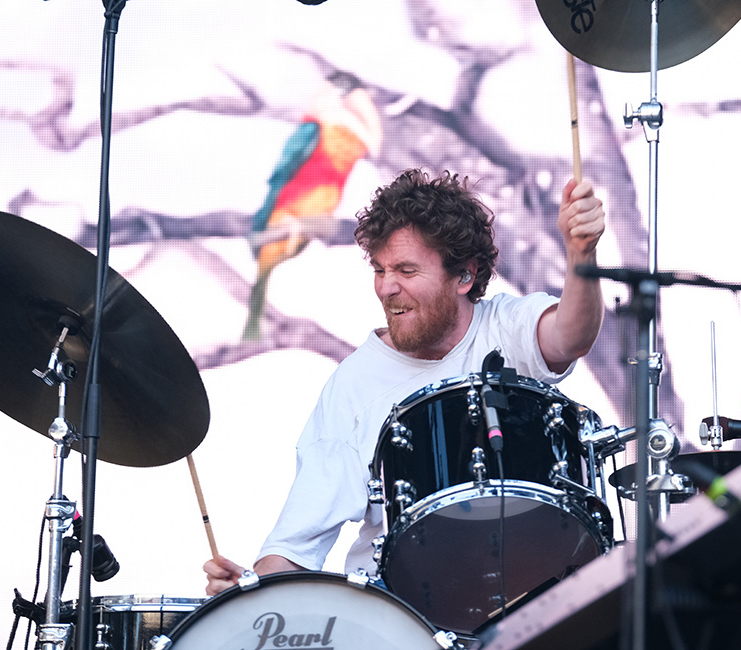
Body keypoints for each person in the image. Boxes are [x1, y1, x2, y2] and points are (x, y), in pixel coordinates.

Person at [204, 168, 606, 595]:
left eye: (406, 271)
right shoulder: (353, 386)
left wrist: (582, 254)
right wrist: (246, 593)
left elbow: (570, 336)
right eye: (380, 269)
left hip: (534, 588)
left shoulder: (506, 325)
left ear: (465, 276)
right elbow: (295, 549)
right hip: (407, 614)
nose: (386, 288)